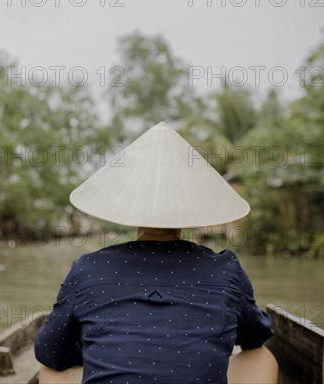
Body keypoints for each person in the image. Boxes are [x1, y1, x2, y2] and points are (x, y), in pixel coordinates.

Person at [34, 122, 278, 384]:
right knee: (262, 357)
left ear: (129, 203)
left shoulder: (88, 268)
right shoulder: (226, 268)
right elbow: (255, 337)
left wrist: (93, 345)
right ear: (190, 206)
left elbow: (49, 352)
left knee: (48, 370)